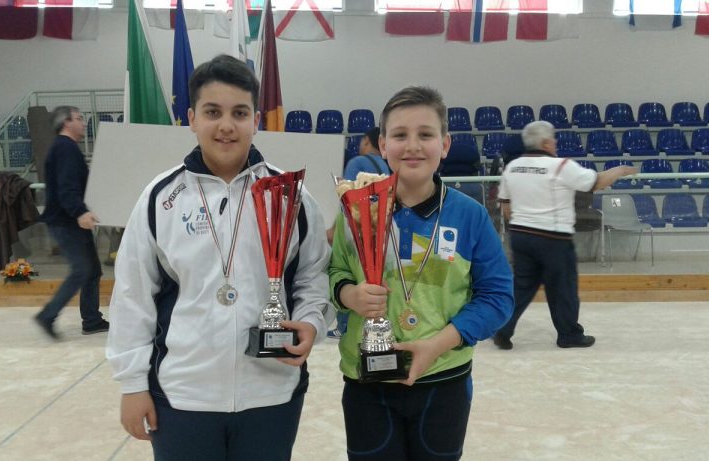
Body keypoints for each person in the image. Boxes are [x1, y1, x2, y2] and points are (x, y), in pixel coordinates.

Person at [106, 55, 332, 461]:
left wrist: (312, 323)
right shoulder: (160, 198)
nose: (226, 125)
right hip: (183, 395)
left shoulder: (290, 195)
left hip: (272, 391)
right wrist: (132, 384)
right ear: (192, 119)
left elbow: (313, 276)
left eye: (239, 113)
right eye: (213, 112)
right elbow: (132, 294)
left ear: (256, 120)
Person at [328, 86, 514, 461]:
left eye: (425, 134)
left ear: (444, 145)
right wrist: (349, 295)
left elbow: (498, 298)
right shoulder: (355, 210)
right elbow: (335, 272)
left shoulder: (470, 215)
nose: (412, 145)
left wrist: (438, 344)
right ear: (383, 145)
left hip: (444, 380)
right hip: (367, 380)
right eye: (400, 135)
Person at [494, 121, 637, 350]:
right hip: (553, 238)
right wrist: (619, 171)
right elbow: (596, 182)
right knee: (563, 288)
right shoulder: (561, 166)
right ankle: (569, 335)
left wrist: (522, 226)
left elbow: (506, 206)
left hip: (521, 235)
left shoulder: (513, 167)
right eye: (553, 139)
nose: (556, 142)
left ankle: (502, 328)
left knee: (521, 286)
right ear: (545, 143)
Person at [34, 106, 108, 340]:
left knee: (92, 270)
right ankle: (47, 315)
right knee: (82, 269)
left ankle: (92, 320)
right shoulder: (65, 148)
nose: (83, 122)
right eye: (79, 118)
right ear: (66, 122)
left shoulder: (66, 147)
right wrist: (80, 212)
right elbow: (67, 188)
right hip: (65, 222)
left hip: (71, 221)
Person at [327, 127, 390, 339]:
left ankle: (343, 326)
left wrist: (335, 229)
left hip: (360, 228)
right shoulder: (385, 165)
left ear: (366, 141)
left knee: (356, 273)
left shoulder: (356, 162)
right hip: (380, 226)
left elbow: (348, 199)